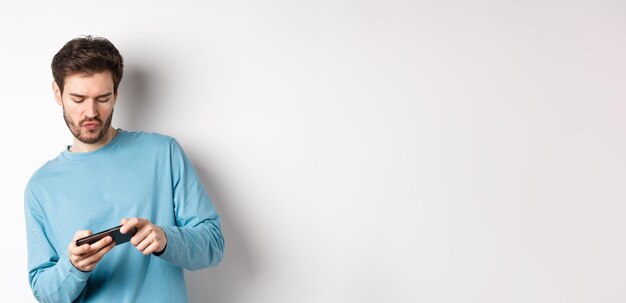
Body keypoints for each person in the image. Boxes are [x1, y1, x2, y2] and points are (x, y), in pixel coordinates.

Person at [23, 36, 225, 302]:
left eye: (103, 98)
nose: (91, 112)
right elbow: (46, 293)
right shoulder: (41, 186)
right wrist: (73, 267)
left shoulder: (163, 153)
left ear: (116, 94)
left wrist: (166, 239)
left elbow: (213, 245)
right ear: (57, 93)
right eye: (78, 99)